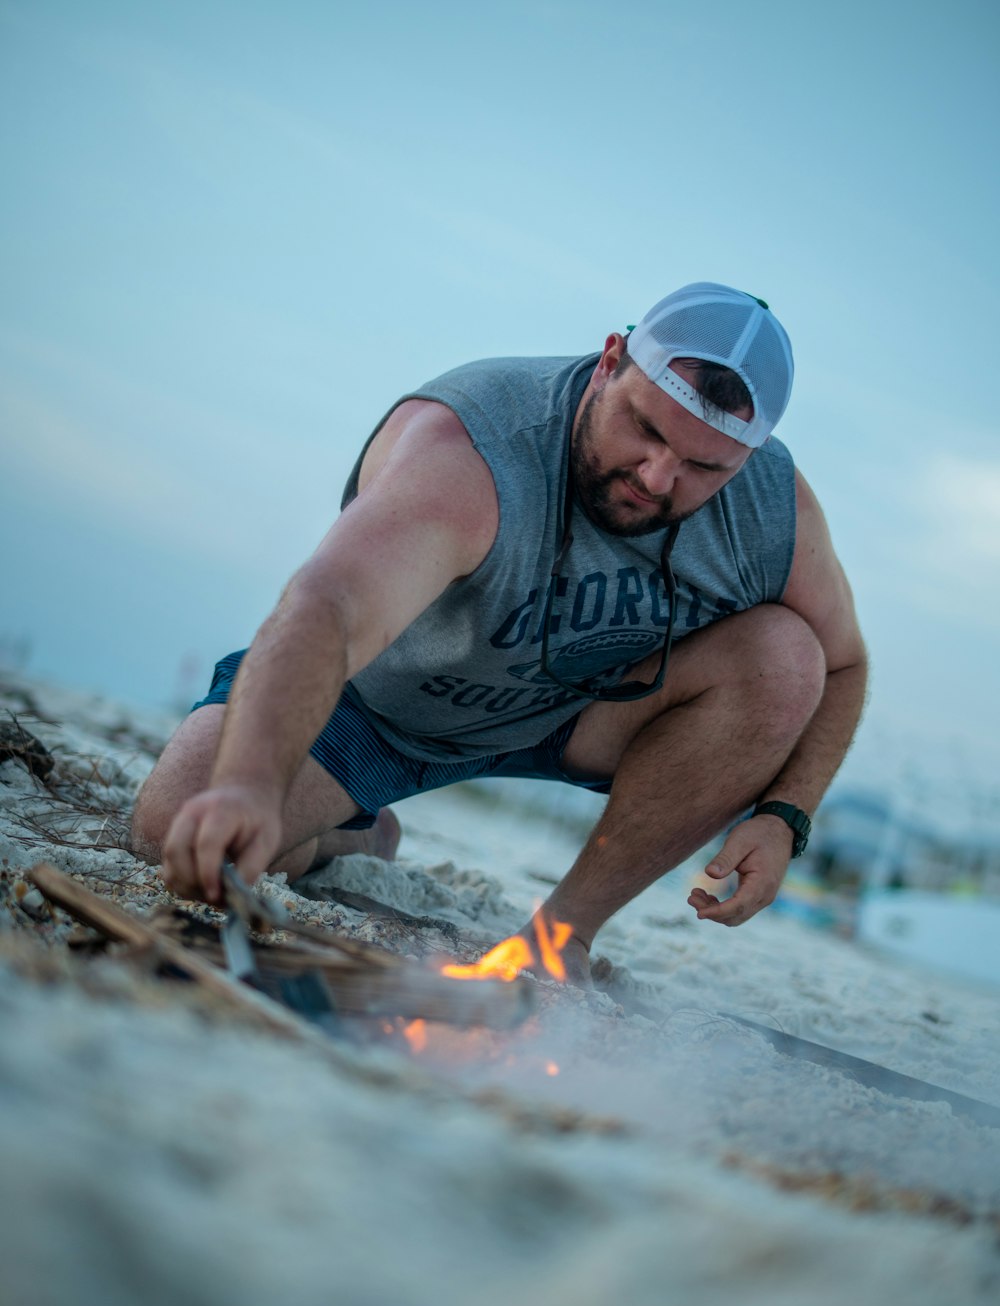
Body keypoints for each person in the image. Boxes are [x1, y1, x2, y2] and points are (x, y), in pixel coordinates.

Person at [131, 283, 867, 985]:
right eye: (644, 428)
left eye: (704, 466)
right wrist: (252, 785)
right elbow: (330, 605)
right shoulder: (475, 444)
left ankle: (563, 933)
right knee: (180, 831)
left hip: (573, 710)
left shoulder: (775, 509)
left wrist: (785, 815)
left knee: (787, 656)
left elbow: (842, 666)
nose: (656, 474)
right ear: (611, 359)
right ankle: (358, 828)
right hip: (375, 706)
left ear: (747, 457)